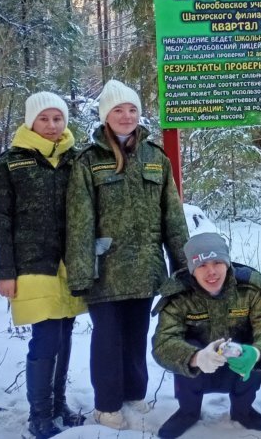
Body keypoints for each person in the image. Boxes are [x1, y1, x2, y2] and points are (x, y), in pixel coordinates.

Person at [66, 79, 190, 430]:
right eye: (118, 110)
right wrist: (81, 271)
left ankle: (135, 392)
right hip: (105, 269)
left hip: (146, 266)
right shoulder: (89, 161)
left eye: (132, 109)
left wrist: (184, 267)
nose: (126, 116)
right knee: (108, 338)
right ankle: (106, 405)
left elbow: (173, 216)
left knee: (137, 334)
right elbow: (79, 221)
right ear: (106, 116)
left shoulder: (155, 158)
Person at [0, 92, 87, 439]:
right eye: (44, 118)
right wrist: (3, 271)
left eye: (58, 118)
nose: (52, 125)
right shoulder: (12, 163)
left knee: (65, 334)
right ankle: (39, 415)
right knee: (46, 337)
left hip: (69, 264)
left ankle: (58, 406)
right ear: (31, 121)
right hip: (31, 264)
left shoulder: (76, 159)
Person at [151, 232, 261, 438]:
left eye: (217, 262)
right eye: (202, 265)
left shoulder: (250, 289)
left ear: (227, 263)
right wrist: (196, 357)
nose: (211, 272)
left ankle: (243, 411)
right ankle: (188, 412)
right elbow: (163, 342)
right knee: (186, 345)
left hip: (239, 368)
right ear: (192, 269)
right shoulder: (178, 296)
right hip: (198, 372)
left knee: (255, 346)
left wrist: (256, 353)